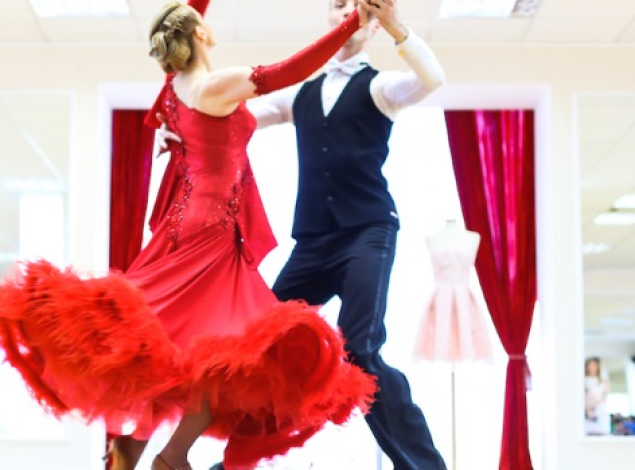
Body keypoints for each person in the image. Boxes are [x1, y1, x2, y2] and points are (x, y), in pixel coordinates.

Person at [0, 1, 380, 470]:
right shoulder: (214, 85)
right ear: (199, 33)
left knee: (176, 344)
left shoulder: (175, 88)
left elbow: (186, 12)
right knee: (227, 351)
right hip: (211, 231)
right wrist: (354, 23)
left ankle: (133, 450)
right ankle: (171, 457)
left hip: (184, 225)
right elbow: (292, 70)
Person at [163, 0, 447, 467]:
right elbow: (225, 120)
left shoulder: (379, 87)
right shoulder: (300, 96)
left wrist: (399, 27)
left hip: (367, 233)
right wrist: (176, 131)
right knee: (257, 348)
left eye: (356, 6)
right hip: (313, 242)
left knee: (360, 351)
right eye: (338, 5)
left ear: (373, 25)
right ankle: (227, 461)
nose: (346, 13)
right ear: (329, 19)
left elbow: (432, 79)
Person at [413, 219, 493, 363]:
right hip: (440, 300)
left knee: (465, 335)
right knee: (441, 336)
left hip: (464, 299)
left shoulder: (473, 238)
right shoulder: (432, 239)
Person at [584, 356, 611, 436]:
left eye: (594, 365)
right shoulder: (583, 380)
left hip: (600, 412)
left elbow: (604, 397)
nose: (592, 367)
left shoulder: (603, 381)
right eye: (590, 365)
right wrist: (588, 408)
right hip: (587, 413)